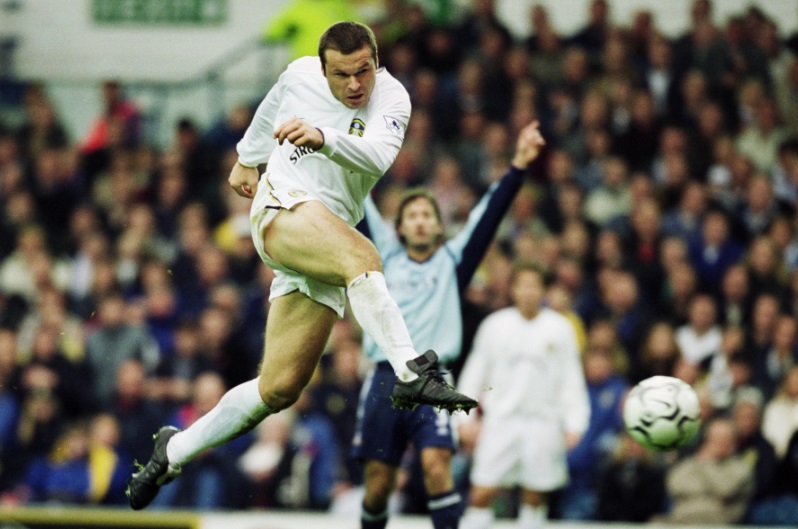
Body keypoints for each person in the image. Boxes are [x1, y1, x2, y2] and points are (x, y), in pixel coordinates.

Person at [126, 21, 477, 510]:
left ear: (376, 62)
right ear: (322, 69)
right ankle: (409, 370)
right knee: (364, 257)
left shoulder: (393, 97)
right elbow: (272, 105)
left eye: (363, 71)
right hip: (282, 206)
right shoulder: (299, 74)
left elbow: (377, 157)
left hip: (323, 239)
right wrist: (247, 157)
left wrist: (322, 136)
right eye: (341, 74)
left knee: (279, 388)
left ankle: (175, 450)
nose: (354, 84)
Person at [353, 120, 546, 529]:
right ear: (399, 227)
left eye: (428, 215)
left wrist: (518, 166)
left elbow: (488, 215)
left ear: (439, 226)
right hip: (385, 377)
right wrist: (338, 150)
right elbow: (358, 202)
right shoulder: (381, 257)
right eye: (412, 215)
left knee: (436, 464)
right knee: (378, 483)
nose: (421, 221)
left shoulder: (453, 262)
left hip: (433, 377)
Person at [457, 263, 590, 529]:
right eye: (523, 285)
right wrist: (464, 418)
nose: (528, 292)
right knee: (481, 491)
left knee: (535, 496)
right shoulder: (494, 325)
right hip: (500, 421)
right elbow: (475, 373)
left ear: (544, 290)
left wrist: (576, 422)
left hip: (544, 423)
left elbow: (571, 379)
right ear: (513, 289)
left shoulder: (560, 328)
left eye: (534, 285)